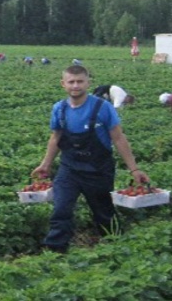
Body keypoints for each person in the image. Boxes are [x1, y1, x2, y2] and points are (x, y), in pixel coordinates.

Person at [31, 65, 149, 254]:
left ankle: (116, 249)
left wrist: (134, 169)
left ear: (88, 83)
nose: (75, 86)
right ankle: (55, 253)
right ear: (63, 84)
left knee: (103, 212)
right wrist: (45, 164)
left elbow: (118, 138)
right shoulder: (59, 109)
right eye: (71, 82)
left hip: (98, 170)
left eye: (80, 81)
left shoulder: (103, 107)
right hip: (69, 168)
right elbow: (55, 138)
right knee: (61, 210)